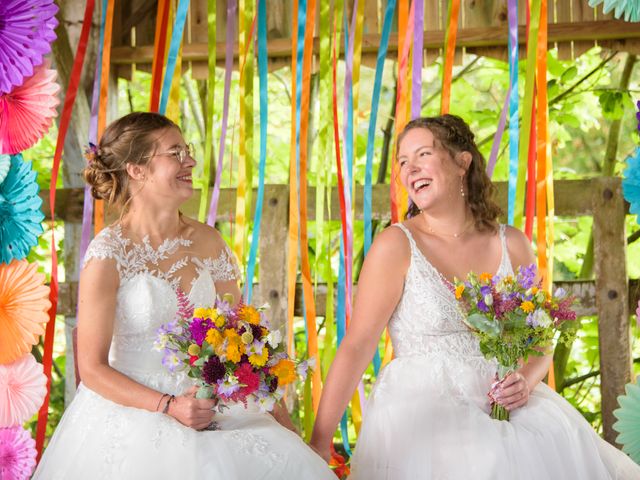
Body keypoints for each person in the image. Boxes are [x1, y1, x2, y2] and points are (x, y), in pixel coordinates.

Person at [310, 114, 640, 479]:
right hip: (425, 419)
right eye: (403, 162)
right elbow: (357, 345)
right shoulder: (395, 245)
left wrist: (525, 383)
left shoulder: (512, 244)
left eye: (423, 154)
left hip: (507, 410)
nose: (410, 168)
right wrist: (319, 444)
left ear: (462, 162)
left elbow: (540, 339)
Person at [34, 112, 334, 479]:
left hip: (216, 409)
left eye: (186, 151)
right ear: (137, 170)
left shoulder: (210, 243)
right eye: (174, 153)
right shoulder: (108, 253)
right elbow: (93, 369)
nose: (189, 161)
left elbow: (246, 349)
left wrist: (287, 429)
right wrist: (169, 406)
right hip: (132, 417)